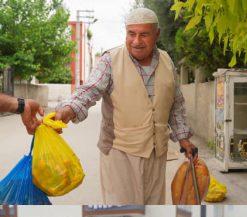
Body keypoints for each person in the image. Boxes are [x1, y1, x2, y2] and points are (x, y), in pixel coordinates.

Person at [52, 7, 197, 205]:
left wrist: (183, 139)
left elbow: (175, 103)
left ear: (157, 34)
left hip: (156, 153)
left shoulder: (166, 61)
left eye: (144, 34)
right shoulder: (110, 60)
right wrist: (69, 108)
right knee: (122, 209)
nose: (137, 41)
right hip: (119, 152)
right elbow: (91, 89)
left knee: (153, 208)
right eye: (131, 34)